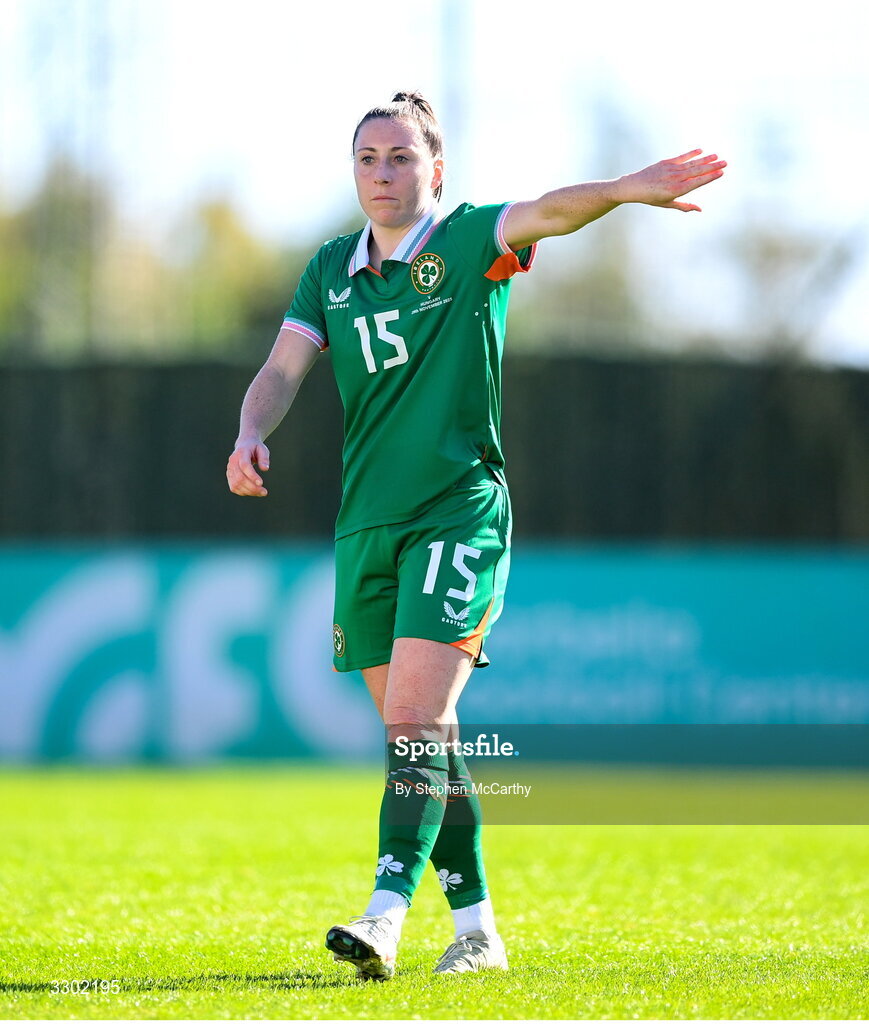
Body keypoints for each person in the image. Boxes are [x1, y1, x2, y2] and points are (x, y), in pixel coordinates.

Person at [226, 91, 725, 981]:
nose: (382, 174)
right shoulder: (329, 269)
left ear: (436, 168)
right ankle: (478, 932)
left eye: (400, 157)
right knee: (426, 736)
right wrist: (249, 430)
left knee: (415, 722)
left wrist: (623, 189)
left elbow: (549, 212)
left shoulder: (464, 241)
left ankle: (383, 916)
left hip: (456, 509)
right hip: (367, 525)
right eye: (368, 159)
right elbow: (280, 367)